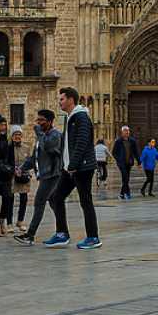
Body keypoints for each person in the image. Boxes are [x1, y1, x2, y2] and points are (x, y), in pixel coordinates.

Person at [48, 88, 101, 249]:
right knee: (55, 198)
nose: (59, 102)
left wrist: (73, 164)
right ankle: (62, 234)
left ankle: (93, 237)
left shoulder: (81, 117)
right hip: (70, 168)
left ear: (71, 100)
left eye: (62, 99)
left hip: (81, 167)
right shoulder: (71, 117)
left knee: (86, 201)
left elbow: (82, 142)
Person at [14, 110, 65, 243]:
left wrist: (39, 133)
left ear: (50, 122)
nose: (39, 123)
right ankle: (63, 232)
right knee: (54, 203)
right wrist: (22, 168)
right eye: (38, 120)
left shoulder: (55, 135)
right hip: (45, 174)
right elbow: (34, 157)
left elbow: (48, 146)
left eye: (42, 120)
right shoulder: (42, 136)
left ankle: (30, 235)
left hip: (52, 175)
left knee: (39, 202)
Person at [111, 125, 137, 201]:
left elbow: (135, 152)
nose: (127, 132)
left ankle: (122, 194)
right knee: (125, 177)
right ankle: (127, 193)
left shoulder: (132, 141)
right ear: (122, 132)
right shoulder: (118, 141)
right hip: (121, 163)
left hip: (129, 162)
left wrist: (138, 161)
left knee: (126, 178)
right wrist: (118, 160)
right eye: (125, 131)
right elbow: (114, 152)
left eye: (128, 131)